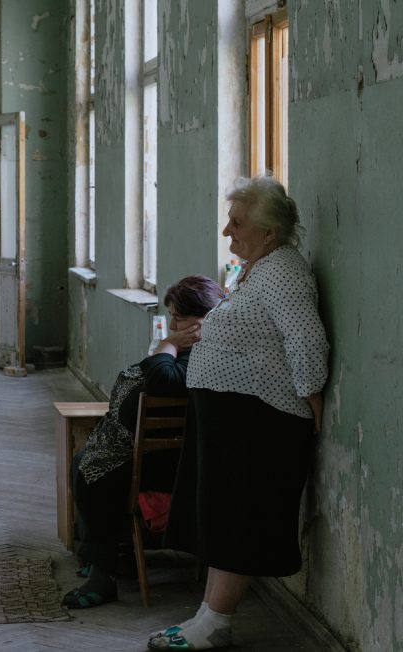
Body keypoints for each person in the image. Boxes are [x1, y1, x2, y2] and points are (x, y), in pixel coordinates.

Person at [148, 176, 328, 651]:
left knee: (240, 520)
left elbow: (305, 337)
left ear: (269, 232)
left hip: (261, 423)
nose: (228, 231)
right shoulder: (253, 269)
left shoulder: (283, 271)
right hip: (236, 420)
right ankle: (207, 618)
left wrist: (311, 395)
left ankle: (216, 624)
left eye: (237, 223)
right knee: (224, 519)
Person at [62, 276, 225, 610]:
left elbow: (163, 380)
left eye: (179, 318)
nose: (173, 325)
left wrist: (169, 343)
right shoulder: (187, 350)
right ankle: (102, 553)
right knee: (83, 461)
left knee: (93, 471)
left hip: (168, 459)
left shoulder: (203, 355)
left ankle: (102, 574)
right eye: (172, 317)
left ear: (205, 318)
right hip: (148, 450)